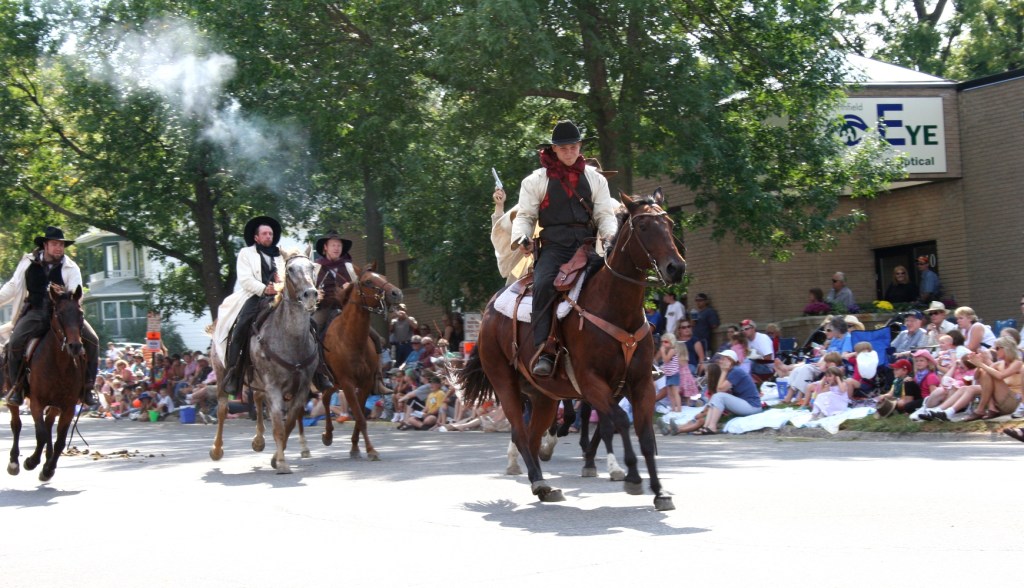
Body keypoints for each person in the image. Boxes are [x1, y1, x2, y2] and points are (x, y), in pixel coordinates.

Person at [510, 120, 618, 377]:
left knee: (616, 281)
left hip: (588, 245)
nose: (569, 152)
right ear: (554, 150)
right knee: (545, 283)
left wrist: (610, 237)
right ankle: (544, 349)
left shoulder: (596, 179)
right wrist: (522, 237)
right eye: (564, 148)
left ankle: (632, 344)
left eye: (573, 147)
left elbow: (604, 214)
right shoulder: (535, 181)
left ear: (580, 147)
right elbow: (525, 216)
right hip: (554, 246)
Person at [219, 216, 333, 395]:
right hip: (256, 297)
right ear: (256, 237)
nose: (268, 236)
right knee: (240, 327)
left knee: (311, 325)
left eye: (270, 233)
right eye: (264, 233)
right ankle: (234, 372)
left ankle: (318, 372)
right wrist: (265, 289)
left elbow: (292, 276)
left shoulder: (281, 255)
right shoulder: (245, 253)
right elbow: (246, 279)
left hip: (282, 297)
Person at [0, 226, 99, 406]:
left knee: (93, 340)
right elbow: (13, 287)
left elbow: (77, 294)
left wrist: (62, 294)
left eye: (61, 245)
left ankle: (88, 387)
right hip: (36, 311)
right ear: (45, 245)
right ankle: (17, 388)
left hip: (64, 315)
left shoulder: (71, 267)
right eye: (54, 244)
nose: (59, 248)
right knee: (14, 343)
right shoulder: (28, 263)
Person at [688, 350, 762, 435]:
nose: (720, 361)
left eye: (723, 359)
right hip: (746, 404)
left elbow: (720, 389)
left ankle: (712, 427)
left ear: (730, 361)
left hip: (752, 406)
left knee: (719, 396)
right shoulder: (733, 371)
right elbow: (718, 390)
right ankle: (707, 426)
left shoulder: (736, 371)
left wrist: (724, 371)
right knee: (716, 396)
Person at [311, 230, 356, 334]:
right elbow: (307, 289)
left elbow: (358, 291)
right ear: (325, 247)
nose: (336, 248)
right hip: (324, 308)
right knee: (312, 329)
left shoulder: (349, 267)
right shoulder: (316, 267)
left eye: (339, 245)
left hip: (347, 308)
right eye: (333, 245)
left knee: (371, 335)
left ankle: (379, 348)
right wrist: (315, 295)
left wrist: (351, 288)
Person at [657, 333, 682, 413]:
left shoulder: (672, 350)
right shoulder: (667, 351)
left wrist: (663, 352)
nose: (663, 344)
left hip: (674, 374)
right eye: (662, 342)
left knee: (675, 392)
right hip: (668, 374)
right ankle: (673, 407)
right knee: (670, 393)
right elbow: (666, 364)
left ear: (671, 342)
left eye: (666, 342)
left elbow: (666, 360)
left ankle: (679, 408)